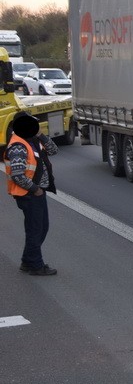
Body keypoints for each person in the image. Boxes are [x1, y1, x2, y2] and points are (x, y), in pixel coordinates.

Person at [4, 112, 59, 275]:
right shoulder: (18, 146)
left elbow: (54, 150)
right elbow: (17, 174)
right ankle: (35, 265)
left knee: (40, 228)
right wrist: (36, 189)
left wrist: (41, 135)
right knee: (36, 229)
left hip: (36, 193)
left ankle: (28, 261)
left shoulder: (32, 140)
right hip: (29, 194)